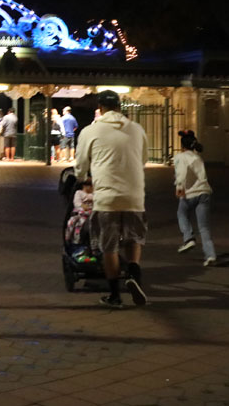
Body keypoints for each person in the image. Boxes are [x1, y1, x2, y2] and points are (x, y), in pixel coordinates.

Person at [76, 90, 149, 309]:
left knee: (109, 246)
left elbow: (80, 165)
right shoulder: (136, 129)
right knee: (134, 238)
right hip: (135, 196)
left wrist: (82, 177)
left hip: (106, 197)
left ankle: (115, 295)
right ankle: (133, 272)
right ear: (119, 107)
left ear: (100, 108)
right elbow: (143, 159)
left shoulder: (91, 130)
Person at [174, 130, 217, 266]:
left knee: (181, 213)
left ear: (182, 146)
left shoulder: (181, 157)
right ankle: (210, 255)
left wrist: (179, 187)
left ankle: (188, 238)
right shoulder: (197, 157)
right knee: (204, 227)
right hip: (204, 192)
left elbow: (181, 172)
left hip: (190, 193)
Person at [66, 179, 94, 244]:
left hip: (91, 213)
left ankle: (79, 240)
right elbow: (77, 203)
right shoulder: (79, 193)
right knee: (72, 222)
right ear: (85, 186)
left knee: (84, 224)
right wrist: (82, 206)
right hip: (80, 213)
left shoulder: (94, 194)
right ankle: (69, 238)